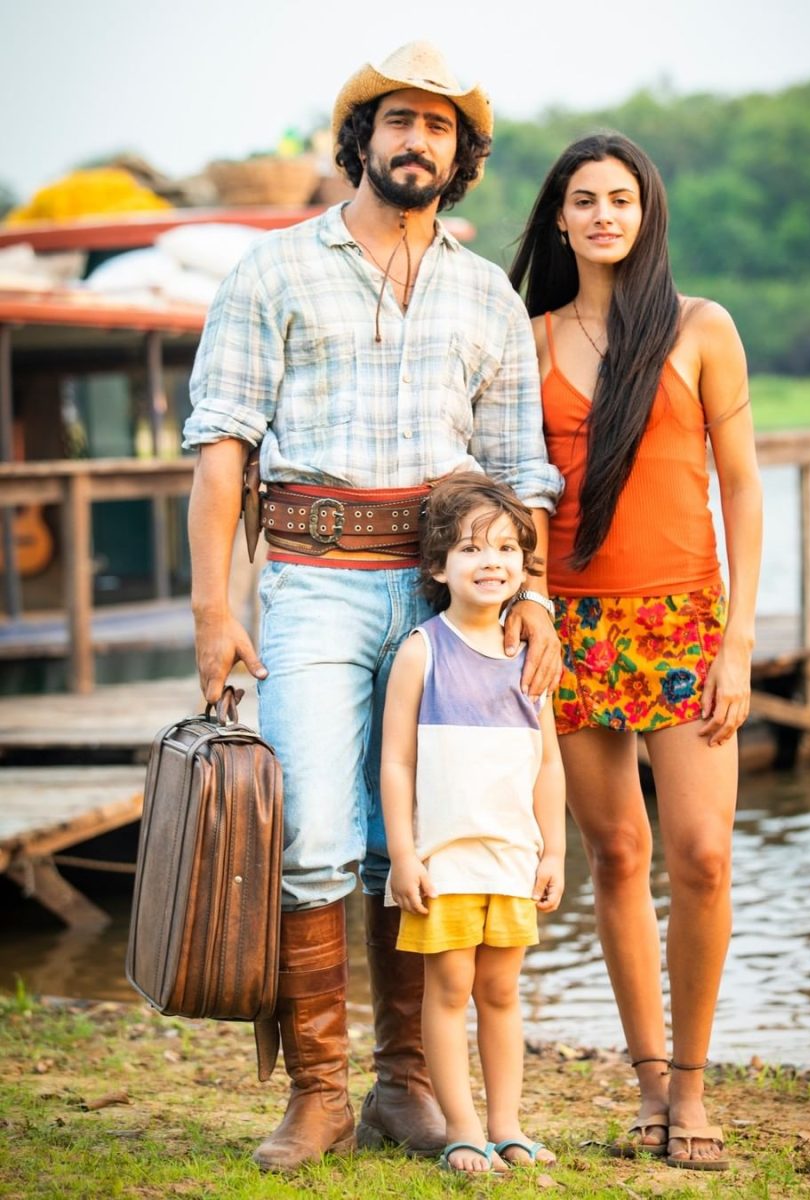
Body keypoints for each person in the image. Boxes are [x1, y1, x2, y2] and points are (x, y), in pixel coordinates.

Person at [183, 42, 563, 1171]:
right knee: (314, 841)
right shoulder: (272, 271)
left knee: (434, 834)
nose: (418, 142)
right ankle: (319, 1096)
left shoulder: (482, 290)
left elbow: (517, 472)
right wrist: (217, 612)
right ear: (363, 138)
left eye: (441, 128)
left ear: (461, 154)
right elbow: (220, 454)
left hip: (453, 605)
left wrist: (531, 595)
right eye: (400, 121)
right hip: (313, 585)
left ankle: (408, 1086)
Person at [510, 134, 763, 1172]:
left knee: (702, 855)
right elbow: (523, 495)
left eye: (621, 198)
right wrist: (528, 605)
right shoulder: (529, 340)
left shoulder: (702, 329)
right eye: (584, 200)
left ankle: (696, 1082)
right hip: (573, 628)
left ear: (647, 213)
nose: (604, 215)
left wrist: (739, 639)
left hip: (684, 624)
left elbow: (740, 485)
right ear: (560, 218)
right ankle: (651, 1082)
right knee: (616, 855)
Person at [381, 473, 565, 1176]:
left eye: (506, 548)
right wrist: (405, 855)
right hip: (447, 861)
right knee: (449, 988)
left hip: (513, 859)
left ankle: (507, 1125)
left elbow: (548, 763)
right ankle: (460, 1128)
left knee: (501, 991)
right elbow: (396, 764)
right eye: (469, 549)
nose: (491, 562)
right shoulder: (423, 651)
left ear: (524, 562)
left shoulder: (531, 656)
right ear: (437, 566)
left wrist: (551, 852)